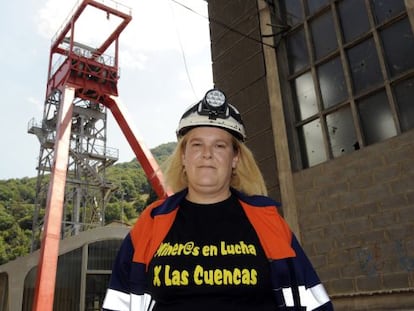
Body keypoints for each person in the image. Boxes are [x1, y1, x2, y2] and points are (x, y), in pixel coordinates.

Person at [102, 88, 334, 310]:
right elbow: (118, 304)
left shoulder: (269, 222)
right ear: (183, 156)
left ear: (235, 158)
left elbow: (314, 303)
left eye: (220, 145)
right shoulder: (150, 224)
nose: (207, 153)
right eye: (197, 144)